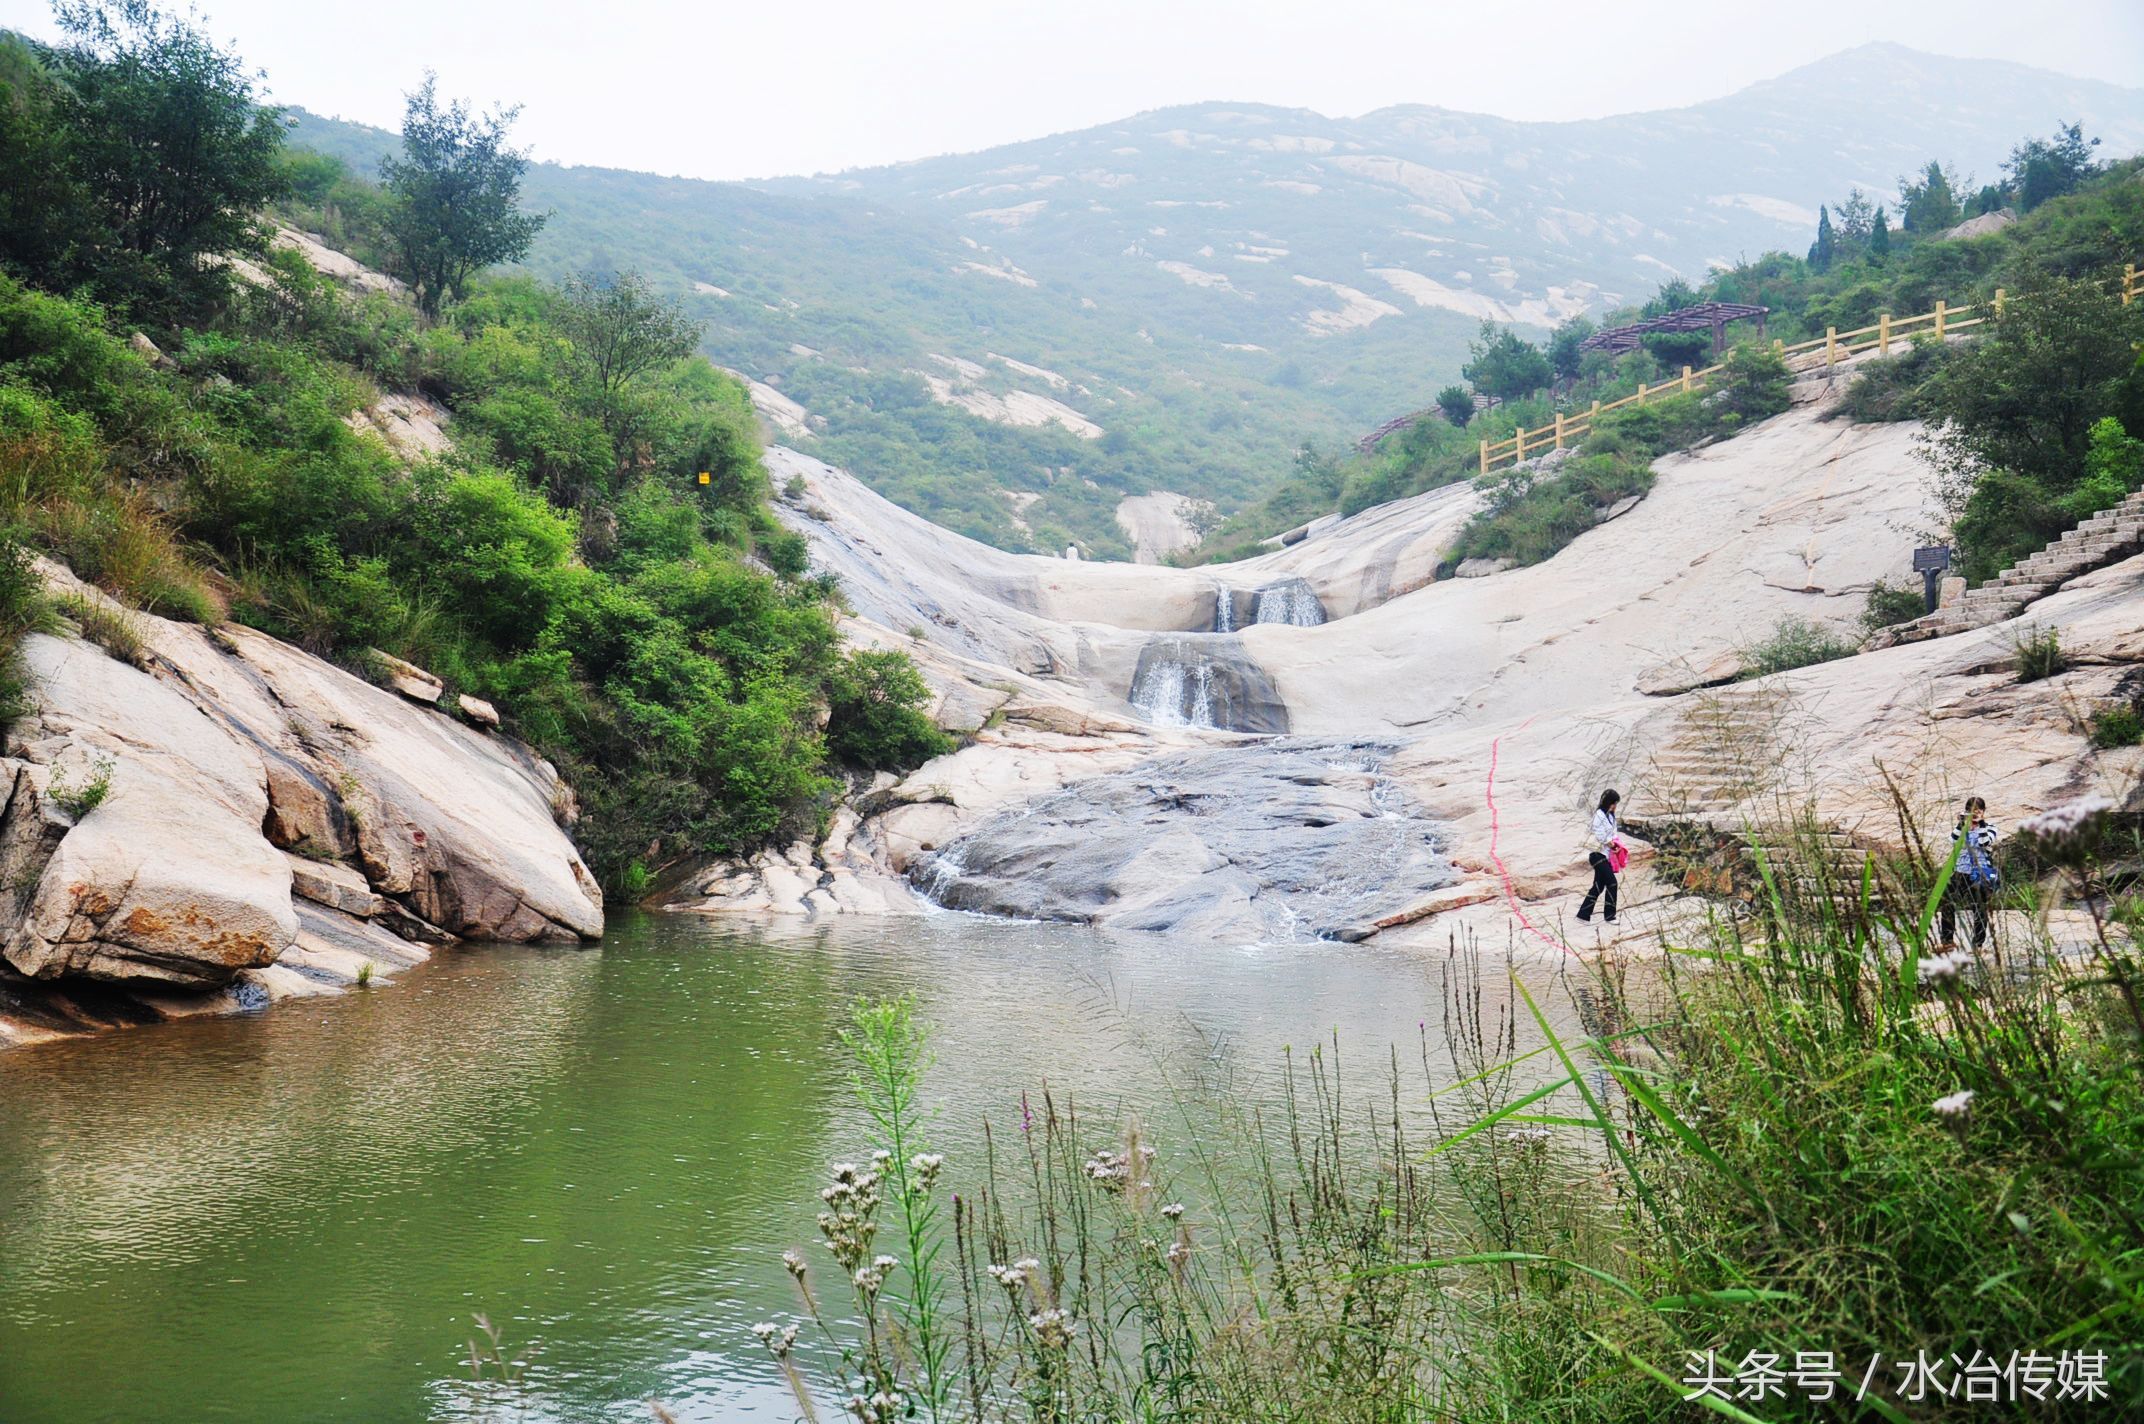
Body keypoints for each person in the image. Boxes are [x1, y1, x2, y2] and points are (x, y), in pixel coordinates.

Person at [1941, 795, 1998, 951]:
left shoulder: (1990, 827)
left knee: (1979, 908)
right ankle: (1947, 941)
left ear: (1983, 812)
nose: (1973, 814)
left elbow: (1985, 842)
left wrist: (1980, 824)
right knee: (1946, 902)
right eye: (1970, 811)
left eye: (1977, 811)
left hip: (1980, 872)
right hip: (1960, 872)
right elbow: (1952, 840)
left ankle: (1977, 944)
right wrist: (1962, 824)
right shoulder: (1962, 827)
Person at [1577, 789, 1622, 923]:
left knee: (1598, 886)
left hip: (1606, 856)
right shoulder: (1599, 815)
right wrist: (1612, 845)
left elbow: (1613, 834)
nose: (1615, 806)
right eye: (1614, 803)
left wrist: (1616, 845)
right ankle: (1610, 916)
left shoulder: (1610, 816)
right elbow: (1601, 836)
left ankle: (1583, 915)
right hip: (1597, 855)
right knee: (1612, 883)